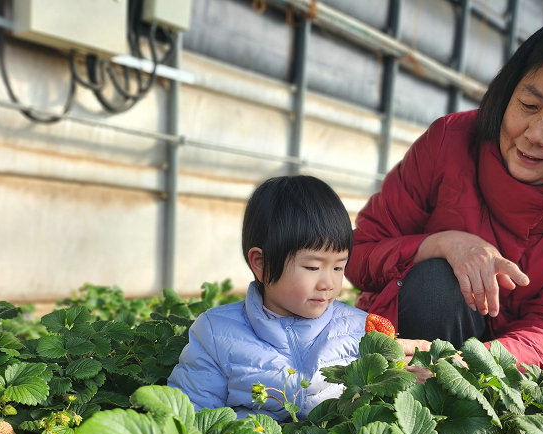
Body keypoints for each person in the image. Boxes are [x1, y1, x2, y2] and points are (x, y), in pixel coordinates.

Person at [345, 11, 543, 368]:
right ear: (510, 90)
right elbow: (358, 258)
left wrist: (473, 365)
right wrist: (440, 243)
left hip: (515, 365)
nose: (535, 134)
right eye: (528, 105)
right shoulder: (450, 142)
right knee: (435, 285)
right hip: (415, 345)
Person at [168, 175, 427, 421]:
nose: (328, 283)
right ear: (262, 264)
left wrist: (406, 376)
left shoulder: (362, 330)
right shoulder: (216, 333)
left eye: (338, 267)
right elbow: (193, 418)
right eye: (313, 267)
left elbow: (381, 404)